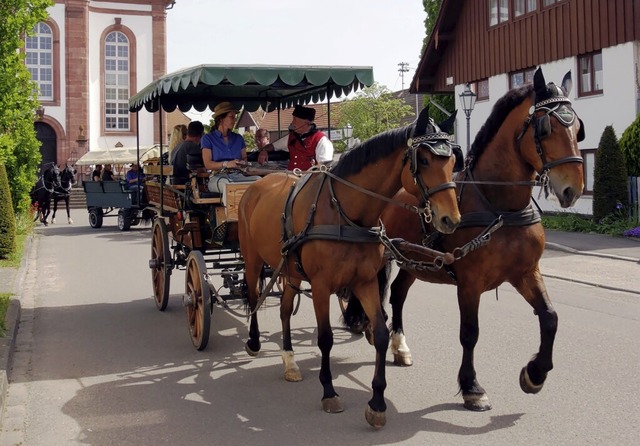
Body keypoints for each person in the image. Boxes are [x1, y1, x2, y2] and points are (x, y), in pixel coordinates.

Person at [201, 101, 260, 193]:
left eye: (235, 117)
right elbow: (208, 164)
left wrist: (241, 163)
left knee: (260, 181)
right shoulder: (208, 138)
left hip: (238, 175)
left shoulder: (239, 138)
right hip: (217, 177)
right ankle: (230, 207)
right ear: (221, 119)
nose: (234, 120)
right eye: (231, 117)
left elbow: (245, 161)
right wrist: (226, 164)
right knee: (229, 186)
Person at [257, 104, 334, 170]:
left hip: (310, 184)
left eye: (295, 119)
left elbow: (324, 169)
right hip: (290, 181)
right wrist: (264, 150)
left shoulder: (322, 141)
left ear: (306, 122)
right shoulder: (291, 137)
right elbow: (272, 146)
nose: (292, 123)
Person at [170, 120, 205, 185]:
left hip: (175, 185)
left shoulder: (178, 146)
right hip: (186, 186)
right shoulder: (192, 147)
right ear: (200, 135)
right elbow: (201, 169)